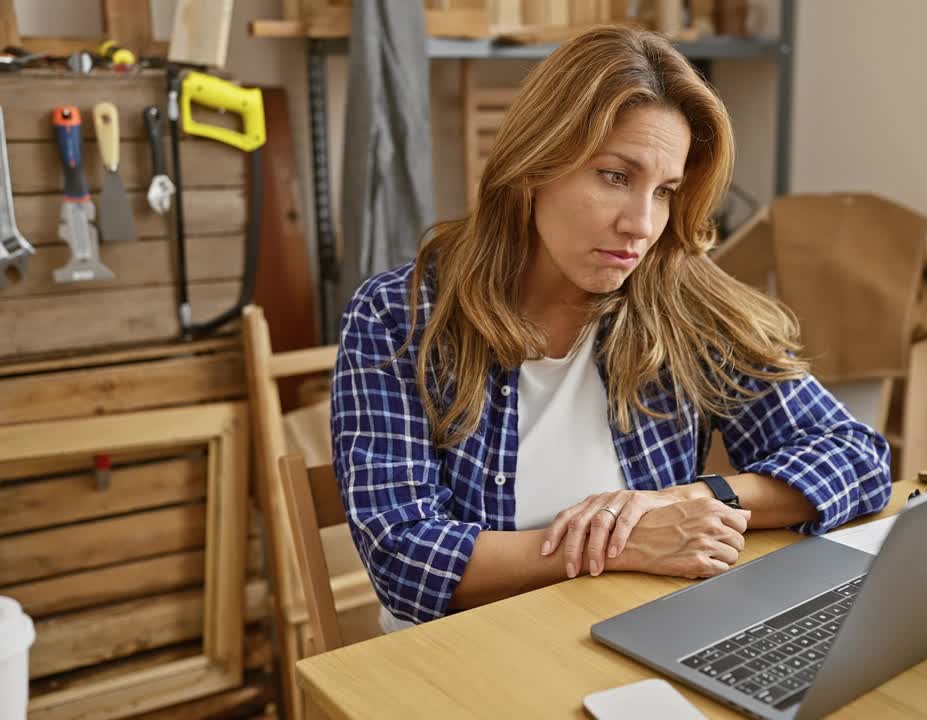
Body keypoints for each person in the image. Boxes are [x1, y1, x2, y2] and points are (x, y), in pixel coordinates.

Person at [331, 26, 891, 632]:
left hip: (638, 631)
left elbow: (857, 459)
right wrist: (625, 542)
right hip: (466, 652)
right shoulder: (400, 316)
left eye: (666, 191)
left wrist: (691, 501)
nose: (641, 225)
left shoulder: (682, 303)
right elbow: (405, 558)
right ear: (533, 168)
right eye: (615, 176)